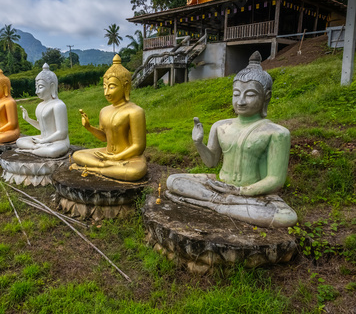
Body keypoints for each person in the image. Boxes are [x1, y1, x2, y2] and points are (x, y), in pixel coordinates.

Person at [165, 51, 297, 228]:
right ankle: (220, 202)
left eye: (249, 94)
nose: (240, 101)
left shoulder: (277, 133)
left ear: (266, 96)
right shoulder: (220, 126)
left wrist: (241, 191)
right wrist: (198, 143)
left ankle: (211, 204)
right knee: (173, 180)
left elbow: (275, 180)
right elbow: (211, 162)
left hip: (251, 194)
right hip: (220, 186)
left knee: (285, 217)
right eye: (236, 94)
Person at [71, 55, 147, 181]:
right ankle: (106, 167)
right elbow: (104, 137)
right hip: (107, 154)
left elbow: (139, 146)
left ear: (126, 86)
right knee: (77, 155)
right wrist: (89, 127)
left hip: (128, 158)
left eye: (111, 87)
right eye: (104, 87)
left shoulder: (135, 111)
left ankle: (94, 169)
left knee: (135, 172)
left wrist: (116, 158)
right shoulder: (104, 111)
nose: (106, 92)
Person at [16, 63, 70, 157]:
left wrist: (44, 141)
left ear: (52, 87)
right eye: (36, 87)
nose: (37, 91)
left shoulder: (59, 105)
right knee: (20, 141)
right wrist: (28, 119)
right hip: (43, 139)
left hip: (58, 142)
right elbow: (42, 127)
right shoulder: (40, 105)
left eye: (40, 87)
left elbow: (62, 133)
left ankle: (32, 150)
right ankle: (37, 149)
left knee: (52, 151)